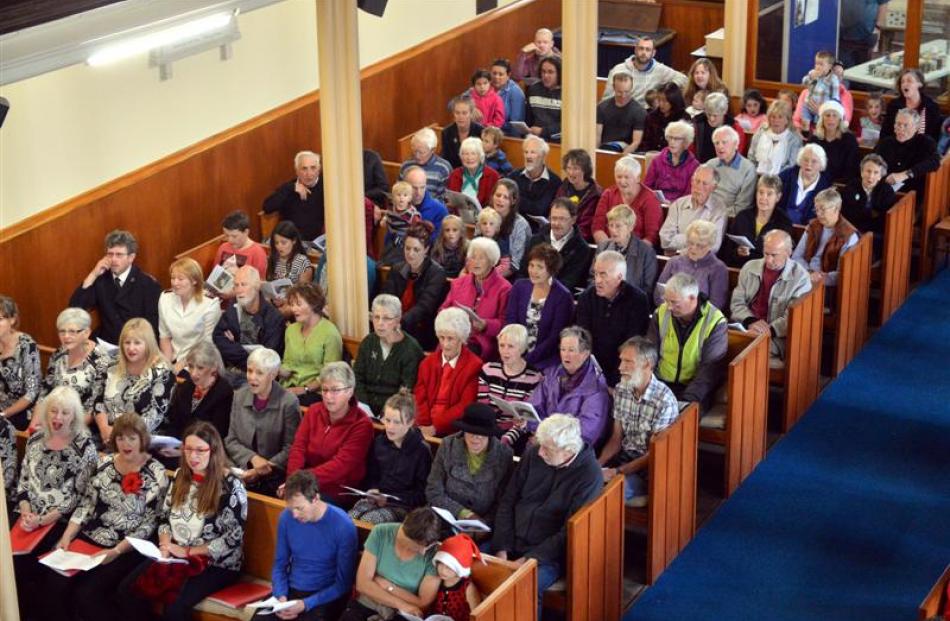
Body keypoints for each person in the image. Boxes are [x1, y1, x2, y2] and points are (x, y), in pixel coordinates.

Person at [42, 413, 169, 621]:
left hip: (126, 546)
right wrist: (67, 536)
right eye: (120, 438)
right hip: (92, 537)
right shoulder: (104, 464)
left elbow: (148, 525)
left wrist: (116, 551)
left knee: (88, 593)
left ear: (142, 440)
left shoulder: (156, 473)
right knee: (55, 581)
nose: (125, 444)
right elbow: (86, 504)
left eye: (131, 438)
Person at [116, 421, 247, 621]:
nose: (193, 457)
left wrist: (188, 552)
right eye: (188, 449)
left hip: (217, 563)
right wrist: (165, 544)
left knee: (175, 608)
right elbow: (164, 517)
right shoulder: (181, 476)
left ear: (213, 450)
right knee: (127, 590)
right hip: (175, 552)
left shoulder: (231, 486)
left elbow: (231, 540)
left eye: (200, 450)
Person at [491, 414, 602, 620]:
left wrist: (529, 560)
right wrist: (502, 548)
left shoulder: (589, 474)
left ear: (568, 451)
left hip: (547, 555)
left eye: (547, 449)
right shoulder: (535, 454)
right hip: (511, 539)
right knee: (466, 566)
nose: (539, 453)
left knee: (524, 587)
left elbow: (568, 532)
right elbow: (508, 500)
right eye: (540, 445)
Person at [13, 387, 99, 615]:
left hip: (60, 521)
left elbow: (81, 496)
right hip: (28, 516)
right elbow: (23, 482)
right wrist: (26, 511)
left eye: (65, 412)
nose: (58, 418)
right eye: (53, 411)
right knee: (9, 566)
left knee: (34, 570)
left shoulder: (84, 447)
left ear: (75, 416)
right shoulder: (36, 440)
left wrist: (45, 518)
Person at [260, 470, 357, 621]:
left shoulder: (343, 526)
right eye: (291, 508)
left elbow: (343, 583)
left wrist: (306, 604)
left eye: (300, 508)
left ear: (315, 499)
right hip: (291, 591)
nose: (295, 515)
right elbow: (280, 565)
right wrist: (281, 597)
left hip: (324, 595)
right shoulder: (286, 518)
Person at [598, 337, 681, 506]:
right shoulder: (622, 389)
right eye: (621, 361)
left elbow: (653, 454)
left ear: (647, 364)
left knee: (605, 494)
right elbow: (616, 438)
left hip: (647, 470)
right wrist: (597, 465)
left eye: (628, 362)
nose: (620, 368)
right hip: (623, 459)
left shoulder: (664, 401)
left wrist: (616, 472)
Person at [286, 362, 374, 502]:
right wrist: (292, 480)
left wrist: (301, 481)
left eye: (335, 390)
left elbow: (340, 466)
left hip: (338, 491)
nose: (328, 396)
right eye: (325, 390)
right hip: (303, 484)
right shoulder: (314, 410)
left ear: (350, 391)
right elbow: (298, 448)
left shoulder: (362, 424)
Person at [337, 507, 441, 621]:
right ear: (407, 537)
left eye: (427, 547)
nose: (423, 552)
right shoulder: (381, 532)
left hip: (402, 615)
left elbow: (423, 603)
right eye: (417, 547)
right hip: (369, 602)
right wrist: (402, 604)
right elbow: (363, 584)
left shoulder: (432, 552)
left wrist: (388, 586)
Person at [648, 272, 728, 411]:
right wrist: (649, 386)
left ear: (692, 298)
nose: (669, 307)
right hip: (661, 383)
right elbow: (649, 352)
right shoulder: (661, 313)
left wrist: (686, 401)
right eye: (666, 300)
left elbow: (709, 370)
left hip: (694, 389)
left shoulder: (715, 321)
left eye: (674, 302)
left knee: (681, 422)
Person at [225, 348, 300, 496]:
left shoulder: (289, 402)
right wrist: (253, 458)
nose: (252, 377)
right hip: (240, 469)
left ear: (273, 375)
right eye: (249, 371)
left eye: (259, 373)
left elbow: (291, 447)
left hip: (273, 475)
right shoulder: (239, 396)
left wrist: (261, 469)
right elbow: (230, 440)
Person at [349, 390, 431, 523]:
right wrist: (372, 489)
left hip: (402, 507)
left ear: (410, 422)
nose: (390, 427)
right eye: (387, 420)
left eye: (397, 422)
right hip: (375, 500)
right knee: (350, 517)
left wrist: (389, 499)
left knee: (369, 519)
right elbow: (371, 474)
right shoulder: (379, 442)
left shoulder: (421, 451)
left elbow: (421, 495)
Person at [426, 402, 513, 525]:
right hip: (443, 518)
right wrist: (464, 514)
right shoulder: (447, 445)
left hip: (484, 526)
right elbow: (433, 490)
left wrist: (484, 524)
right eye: (470, 432)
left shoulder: (504, 455)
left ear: (489, 434)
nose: (475, 438)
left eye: (481, 434)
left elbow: (503, 501)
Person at [731, 230, 812, 362]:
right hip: (746, 327)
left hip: (776, 335)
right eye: (766, 253)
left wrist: (768, 331)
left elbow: (791, 318)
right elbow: (737, 302)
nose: (768, 260)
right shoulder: (750, 267)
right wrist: (750, 321)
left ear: (788, 252)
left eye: (774, 255)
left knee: (747, 352)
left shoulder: (801, 278)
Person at [70, 229, 161, 344]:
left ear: (131, 257)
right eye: (110, 254)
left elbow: (152, 328)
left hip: (134, 345)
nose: (113, 259)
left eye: (119, 255)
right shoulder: (101, 280)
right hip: (106, 343)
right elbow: (75, 308)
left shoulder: (148, 285)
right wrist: (93, 274)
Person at [577, 251, 651, 386]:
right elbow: (583, 338)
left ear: (619, 277)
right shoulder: (586, 297)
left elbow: (633, 343)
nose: (597, 280)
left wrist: (612, 382)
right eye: (596, 274)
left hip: (623, 368)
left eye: (603, 274)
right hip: (591, 366)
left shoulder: (638, 300)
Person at [95, 318, 175, 440]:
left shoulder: (162, 372)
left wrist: (119, 436)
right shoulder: (111, 364)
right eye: (127, 343)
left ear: (148, 344)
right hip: (107, 436)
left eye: (137, 343)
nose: (131, 348)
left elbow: (153, 417)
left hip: (143, 440)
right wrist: (104, 429)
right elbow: (98, 401)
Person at [528, 327, 610, 446]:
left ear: (585, 354)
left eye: (571, 350)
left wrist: (548, 440)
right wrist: (533, 427)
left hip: (572, 450)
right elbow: (534, 408)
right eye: (563, 349)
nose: (566, 355)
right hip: (543, 439)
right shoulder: (552, 374)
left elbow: (587, 432)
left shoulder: (596, 387)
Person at [440, 237, 512, 360]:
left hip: (482, 342)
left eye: (481, 258)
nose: (476, 262)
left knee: (461, 356)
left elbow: (506, 324)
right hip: (454, 336)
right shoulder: (458, 283)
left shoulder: (504, 289)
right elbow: (443, 309)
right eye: (472, 257)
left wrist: (486, 325)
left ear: (491, 261)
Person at [414, 308, 482, 437]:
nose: (445, 344)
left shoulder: (474, 365)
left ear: (462, 338)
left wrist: (435, 427)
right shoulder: (427, 363)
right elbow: (419, 397)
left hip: (454, 430)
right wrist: (425, 424)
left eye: (451, 339)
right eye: (441, 338)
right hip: (423, 426)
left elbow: (465, 406)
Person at [505, 244, 574, 370]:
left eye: (540, 267)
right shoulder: (519, 287)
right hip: (515, 351)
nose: (533, 271)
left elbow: (555, 337)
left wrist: (527, 360)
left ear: (551, 270)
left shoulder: (563, 296)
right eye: (531, 265)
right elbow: (511, 322)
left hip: (545, 357)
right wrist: (515, 353)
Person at [354, 294, 425, 417]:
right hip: (363, 408)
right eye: (376, 317)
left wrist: (386, 414)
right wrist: (364, 407)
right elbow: (357, 377)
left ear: (398, 320)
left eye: (386, 318)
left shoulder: (411, 349)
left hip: (393, 413)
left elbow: (405, 390)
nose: (380, 323)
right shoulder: (368, 342)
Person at [477, 325, 544, 450]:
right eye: (502, 345)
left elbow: (524, 419)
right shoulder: (488, 370)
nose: (505, 351)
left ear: (522, 349)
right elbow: (483, 407)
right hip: (487, 428)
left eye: (511, 346)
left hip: (516, 434)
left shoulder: (534, 378)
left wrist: (506, 439)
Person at [383, 223, 449, 350]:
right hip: (394, 324)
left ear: (426, 250)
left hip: (421, 330)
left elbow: (424, 307)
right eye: (407, 248)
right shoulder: (397, 269)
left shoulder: (436, 273)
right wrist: (387, 318)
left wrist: (398, 323)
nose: (410, 254)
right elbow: (387, 297)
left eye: (416, 249)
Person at [41, 308, 111, 425]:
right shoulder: (58, 354)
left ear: (87, 332)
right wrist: (34, 425)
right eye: (62, 331)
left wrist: (66, 431)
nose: (66, 336)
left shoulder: (100, 360)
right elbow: (45, 393)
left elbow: (94, 406)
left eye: (72, 332)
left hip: (81, 426)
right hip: (54, 419)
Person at [212, 265, 285, 377]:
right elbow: (217, 337)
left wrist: (234, 345)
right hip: (228, 372)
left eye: (244, 284)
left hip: (258, 377)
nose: (239, 290)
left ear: (256, 286)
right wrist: (244, 353)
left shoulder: (274, 318)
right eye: (236, 285)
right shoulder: (233, 307)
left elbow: (267, 358)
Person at [279, 283, 342, 406]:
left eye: (298, 304)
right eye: (292, 305)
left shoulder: (330, 333)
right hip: (289, 386)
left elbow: (330, 374)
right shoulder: (290, 330)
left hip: (315, 391)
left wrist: (305, 389)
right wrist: (277, 369)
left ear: (313, 304)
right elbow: (288, 363)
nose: (294, 309)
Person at [158, 258, 222, 369]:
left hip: (199, 361)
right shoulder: (165, 298)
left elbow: (207, 344)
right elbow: (164, 336)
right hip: (172, 357)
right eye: (173, 278)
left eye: (180, 279)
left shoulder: (210, 304)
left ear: (194, 281)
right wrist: (167, 366)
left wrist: (181, 365)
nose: (175, 283)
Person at [654, 220, 730, 312]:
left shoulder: (718, 268)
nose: (693, 248)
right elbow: (659, 294)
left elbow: (716, 304)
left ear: (710, 246)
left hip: (700, 319)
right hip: (669, 312)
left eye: (700, 246)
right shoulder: (674, 262)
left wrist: (686, 313)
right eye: (690, 243)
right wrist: (672, 309)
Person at [721, 174, 795, 268]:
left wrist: (752, 255)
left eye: (769, 194)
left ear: (778, 197)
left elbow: (782, 258)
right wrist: (737, 252)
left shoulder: (784, 222)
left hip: (766, 271)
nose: (763, 198)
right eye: (761, 192)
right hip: (739, 269)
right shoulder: (742, 217)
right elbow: (727, 252)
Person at [164, 341, 233, 441]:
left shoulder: (223, 392)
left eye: (200, 368)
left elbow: (217, 435)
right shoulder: (186, 386)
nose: (193, 373)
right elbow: (174, 423)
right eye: (191, 366)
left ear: (213, 367)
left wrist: (182, 450)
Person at [521, 197, 593, 293]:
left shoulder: (581, 249)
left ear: (573, 220)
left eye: (562, 219)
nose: (556, 223)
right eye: (553, 218)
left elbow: (568, 282)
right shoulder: (536, 240)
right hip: (529, 291)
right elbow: (522, 272)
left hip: (557, 298)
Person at [792, 188, 860, 289]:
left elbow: (841, 273)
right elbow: (796, 256)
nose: (818, 214)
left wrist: (818, 279)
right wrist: (809, 273)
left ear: (836, 209)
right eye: (816, 209)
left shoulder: (849, 236)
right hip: (805, 275)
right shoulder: (813, 226)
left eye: (823, 210)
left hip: (826, 285)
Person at [592, 154, 662, 245]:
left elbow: (651, 236)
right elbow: (597, 227)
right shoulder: (608, 194)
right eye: (619, 177)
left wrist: (630, 253)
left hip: (638, 251)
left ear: (637, 178)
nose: (622, 181)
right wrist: (609, 248)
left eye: (627, 177)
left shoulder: (650, 199)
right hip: (609, 247)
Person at [659, 165, 727, 254]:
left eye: (704, 183)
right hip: (673, 261)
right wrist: (697, 241)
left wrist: (681, 243)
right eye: (697, 181)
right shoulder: (678, 204)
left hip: (701, 264)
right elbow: (665, 240)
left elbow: (713, 247)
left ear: (713, 188)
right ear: (691, 181)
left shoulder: (719, 210)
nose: (698, 187)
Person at [874, 107, 941, 199]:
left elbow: (935, 162)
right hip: (884, 191)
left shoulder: (926, 143)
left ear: (916, 128)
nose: (901, 128)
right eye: (898, 124)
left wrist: (905, 174)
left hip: (911, 194)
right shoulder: (885, 143)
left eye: (906, 125)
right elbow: (873, 162)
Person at [602, 35, 687, 106]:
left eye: (647, 49)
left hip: (647, 114)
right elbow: (606, 100)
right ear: (635, 50)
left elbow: (684, 79)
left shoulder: (660, 70)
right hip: (623, 112)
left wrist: (665, 89)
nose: (644, 53)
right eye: (641, 48)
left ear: (653, 53)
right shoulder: (618, 70)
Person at [841, 154, 898, 259]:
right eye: (868, 171)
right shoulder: (851, 186)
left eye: (876, 172)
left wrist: (863, 213)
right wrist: (871, 214)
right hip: (852, 231)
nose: (871, 176)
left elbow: (883, 220)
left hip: (874, 235)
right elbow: (846, 213)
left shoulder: (886, 191)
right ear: (862, 172)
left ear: (880, 176)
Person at [593, 204, 658, 294]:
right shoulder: (603, 247)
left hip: (632, 302)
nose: (613, 230)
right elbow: (592, 277)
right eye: (611, 225)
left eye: (618, 226)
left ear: (630, 227)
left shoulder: (646, 252)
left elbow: (647, 288)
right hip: (604, 298)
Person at [262, 150, 325, 240]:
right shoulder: (289, 187)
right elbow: (267, 208)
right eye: (304, 168)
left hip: (315, 242)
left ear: (319, 169)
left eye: (313, 168)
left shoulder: (326, 185)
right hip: (289, 240)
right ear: (297, 171)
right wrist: (291, 188)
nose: (309, 174)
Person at [0, 295, 42, 431]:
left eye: (0, 319)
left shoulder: (26, 346)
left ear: (12, 319)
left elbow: (31, 393)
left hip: (20, 412)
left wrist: (3, 414)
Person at [642, 120, 700, 202]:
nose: (672, 142)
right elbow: (647, 186)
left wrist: (674, 204)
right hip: (657, 203)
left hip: (680, 207)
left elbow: (689, 194)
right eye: (670, 137)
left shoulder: (694, 165)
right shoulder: (657, 160)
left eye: (677, 139)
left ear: (686, 141)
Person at [880, 68, 944, 143]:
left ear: (919, 84)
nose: (905, 84)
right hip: (896, 149)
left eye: (909, 81)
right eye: (902, 82)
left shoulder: (931, 107)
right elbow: (885, 133)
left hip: (922, 150)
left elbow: (934, 137)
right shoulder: (894, 106)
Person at [506, 135, 561, 221]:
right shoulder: (514, 176)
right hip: (513, 223)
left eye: (533, 152)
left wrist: (515, 198)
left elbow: (539, 210)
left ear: (543, 156)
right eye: (526, 152)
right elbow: (506, 200)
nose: (528, 156)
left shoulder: (554, 182)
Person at [553, 148, 603, 241]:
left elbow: (586, 228)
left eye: (575, 168)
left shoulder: (595, 194)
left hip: (579, 240)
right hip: (559, 234)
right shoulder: (564, 187)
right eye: (568, 168)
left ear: (585, 170)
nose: (571, 173)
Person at [706, 125, 757, 217]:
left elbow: (742, 206)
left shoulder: (748, 169)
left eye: (724, 142)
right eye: (716, 143)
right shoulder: (710, 164)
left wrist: (717, 214)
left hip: (729, 217)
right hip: (705, 212)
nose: (720, 146)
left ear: (735, 144)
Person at [429, 534, 483, 619]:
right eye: (441, 564)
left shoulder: (468, 588)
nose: (443, 570)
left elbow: (477, 615)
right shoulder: (437, 580)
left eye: (449, 567)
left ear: (459, 568)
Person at [777, 143, 833, 225]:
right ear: (800, 161)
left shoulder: (825, 188)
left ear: (821, 165)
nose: (809, 164)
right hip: (780, 226)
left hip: (808, 232)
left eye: (814, 161)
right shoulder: (785, 177)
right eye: (805, 160)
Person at [807, 100, 860, 182]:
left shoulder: (849, 140)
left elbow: (851, 169)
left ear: (840, 120)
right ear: (822, 119)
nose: (830, 119)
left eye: (834, 116)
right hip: (815, 181)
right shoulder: (815, 139)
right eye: (827, 115)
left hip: (840, 184)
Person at [596, 69, 646, 154]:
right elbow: (597, 136)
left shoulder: (640, 112)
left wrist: (622, 156)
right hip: (605, 149)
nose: (623, 96)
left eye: (627, 92)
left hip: (626, 152)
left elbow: (636, 142)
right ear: (614, 88)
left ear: (631, 88)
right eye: (619, 92)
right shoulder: (602, 107)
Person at [748, 100, 803, 176]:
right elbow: (751, 157)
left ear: (787, 120)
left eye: (780, 117)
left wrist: (771, 176)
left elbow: (792, 165)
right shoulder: (761, 132)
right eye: (773, 117)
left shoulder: (795, 139)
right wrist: (756, 172)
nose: (776, 120)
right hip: (757, 174)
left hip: (781, 178)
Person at [400, 128, 452, 202]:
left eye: (421, 152)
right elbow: (399, 191)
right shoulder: (406, 166)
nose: (417, 156)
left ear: (433, 150)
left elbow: (445, 198)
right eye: (414, 151)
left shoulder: (444, 168)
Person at [446, 136, 501, 207]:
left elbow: (493, 204)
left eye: (473, 154)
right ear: (461, 156)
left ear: (480, 156)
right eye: (465, 154)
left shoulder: (492, 176)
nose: (469, 158)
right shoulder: (454, 175)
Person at [692, 92, 747, 163]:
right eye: (708, 114)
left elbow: (736, 156)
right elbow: (691, 152)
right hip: (700, 167)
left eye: (715, 115)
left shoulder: (735, 129)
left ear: (724, 112)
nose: (711, 119)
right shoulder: (697, 124)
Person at [214, 210, 269, 279]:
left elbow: (259, 283)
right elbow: (215, 275)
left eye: (234, 236)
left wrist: (238, 273)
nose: (230, 240)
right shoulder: (223, 247)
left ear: (246, 232)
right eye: (226, 235)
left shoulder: (257, 252)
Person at [798, 51, 842, 130]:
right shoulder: (812, 73)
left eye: (821, 64)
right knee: (805, 124)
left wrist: (825, 108)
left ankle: (817, 136)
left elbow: (835, 97)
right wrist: (811, 77)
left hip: (822, 107)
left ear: (829, 66)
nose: (818, 67)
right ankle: (805, 135)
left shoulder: (833, 79)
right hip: (808, 105)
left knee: (818, 126)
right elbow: (804, 83)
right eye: (816, 63)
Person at [404, 165, 449, 243]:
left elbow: (438, 243)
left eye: (422, 187)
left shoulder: (439, 210)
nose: (419, 193)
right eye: (414, 188)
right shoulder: (399, 206)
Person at [640, 83, 689, 153]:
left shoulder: (683, 118)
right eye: (659, 100)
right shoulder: (652, 116)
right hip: (652, 155)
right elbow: (645, 141)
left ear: (673, 100)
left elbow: (684, 145)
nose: (661, 104)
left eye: (665, 101)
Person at [265, 220, 314, 289]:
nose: (279, 247)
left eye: (283, 243)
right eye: (276, 243)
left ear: (294, 241)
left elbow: (304, 292)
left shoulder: (302, 262)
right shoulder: (274, 258)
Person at [524, 56, 562, 141]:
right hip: (534, 138)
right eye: (543, 71)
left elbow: (567, 125)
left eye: (550, 72)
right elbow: (528, 117)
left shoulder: (567, 93)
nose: (545, 76)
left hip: (557, 140)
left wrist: (543, 131)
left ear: (559, 73)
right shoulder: (534, 89)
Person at [442, 96, 486, 170]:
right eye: (457, 113)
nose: (460, 116)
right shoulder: (447, 132)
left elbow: (483, 159)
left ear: (471, 113)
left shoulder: (481, 132)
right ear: (453, 113)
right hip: (454, 173)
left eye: (464, 113)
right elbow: (447, 160)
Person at [489, 58, 526, 136]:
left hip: (505, 136)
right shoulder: (485, 85)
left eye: (500, 74)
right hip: (485, 132)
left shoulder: (516, 92)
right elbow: (464, 98)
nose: (496, 77)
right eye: (494, 73)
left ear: (508, 75)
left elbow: (516, 125)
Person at [430, 215, 468, 280]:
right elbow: (434, 268)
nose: (451, 233)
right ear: (443, 233)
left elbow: (468, 268)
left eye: (455, 230)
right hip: (440, 280)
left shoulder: (467, 246)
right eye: (447, 230)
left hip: (460, 281)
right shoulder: (437, 246)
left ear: (461, 232)